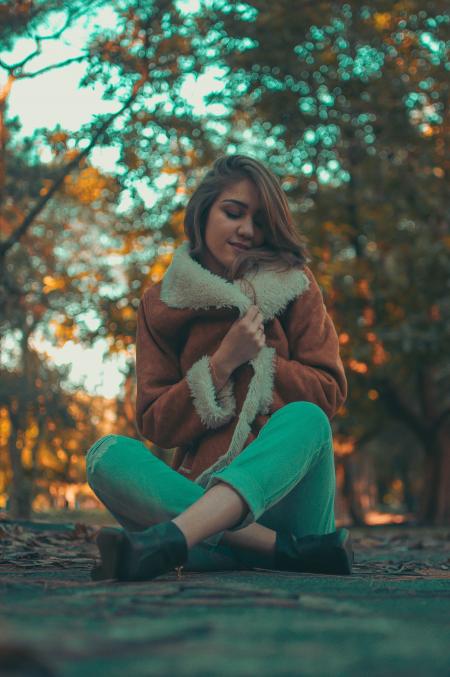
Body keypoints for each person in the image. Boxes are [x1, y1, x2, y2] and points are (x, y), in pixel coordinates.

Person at [86, 153, 354, 582]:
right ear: (203, 211)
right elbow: (156, 422)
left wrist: (262, 361)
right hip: (206, 499)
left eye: (261, 221)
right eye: (234, 213)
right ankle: (274, 552)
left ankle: (173, 540)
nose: (248, 230)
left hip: (291, 507)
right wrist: (221, 364)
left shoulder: (296, 285)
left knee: (307, 418)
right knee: (105, 456)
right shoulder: (162, 304)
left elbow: (328, 393)